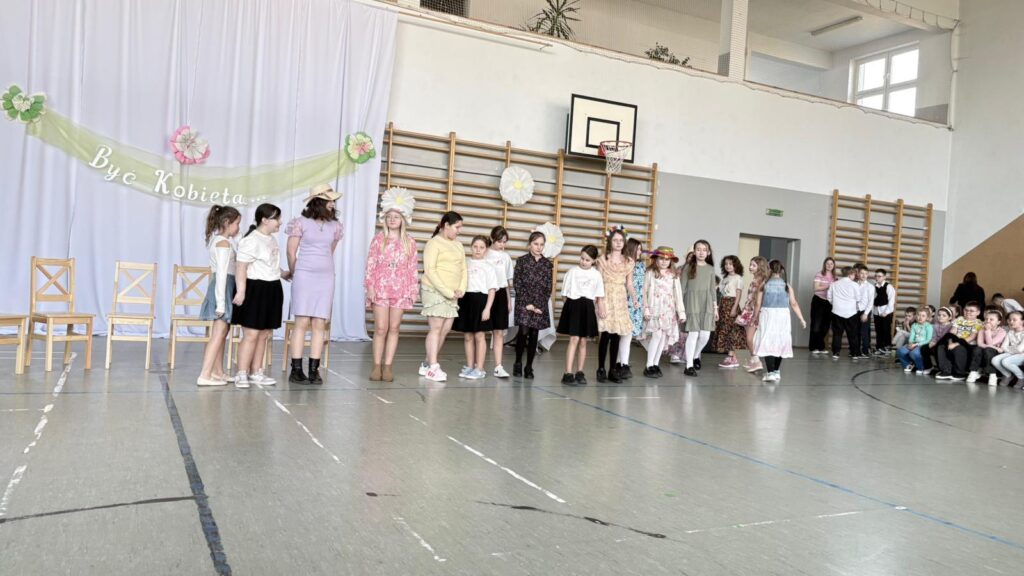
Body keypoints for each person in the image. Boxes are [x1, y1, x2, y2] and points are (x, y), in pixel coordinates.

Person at [285, 184, 343, 385]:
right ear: (319, 202)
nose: (333, 204)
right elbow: (291, 251)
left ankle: (314, 370)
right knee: (301, 322)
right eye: (329, 200)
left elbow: (329, 251)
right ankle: (296, 370)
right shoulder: (300, 223)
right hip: (304, 275)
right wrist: (295, 272)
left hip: (325, 278)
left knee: (320, 323)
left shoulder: (336, 226)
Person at [364, 187, 418, 383]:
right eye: (389, 217)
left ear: (403, 219)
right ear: (385, 219)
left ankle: (388, 366)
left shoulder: (410, 242)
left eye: (396, 217)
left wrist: (412, 291)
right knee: (381, 328)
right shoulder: (379, 240)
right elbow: (370, 265)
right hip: (380, 289)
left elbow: (412, 269)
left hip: (400, 290)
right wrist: (370, 287)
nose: (392, 220)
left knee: (394, 328)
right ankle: (376, 365)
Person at [232, 203, 290, 388]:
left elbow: (269, 264)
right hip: (254, 289)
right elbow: (241, 267)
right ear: (264, 220)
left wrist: (283, 273)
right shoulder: (250, 240)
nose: (280, 222)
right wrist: (241, 291)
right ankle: (241, 373)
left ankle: (256, 371)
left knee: (264, 333)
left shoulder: (271, 239)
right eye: (277, 218)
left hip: (272, 288)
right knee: (251, 334)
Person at [197, 205, 242, 386]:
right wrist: (221, 304)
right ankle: (205, 375)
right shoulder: (222, 243)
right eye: (237, 223)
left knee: (223, 332)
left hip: (226, 287)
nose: (238, 227)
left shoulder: (224, 241)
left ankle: (218, 372)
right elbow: (222, 274)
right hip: (221, 289)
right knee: (218, 333)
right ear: (226, 222)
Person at [419, 211, 467, 383]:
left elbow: (463, 269)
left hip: (453, 294)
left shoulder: (458, 245)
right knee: (436, 328)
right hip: (434, 291)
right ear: (446, 225)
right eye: (457, 227)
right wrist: (447, 291)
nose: (459, 231)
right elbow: (430, 270)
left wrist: (461, 288)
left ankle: (427, 363)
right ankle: (433, 366)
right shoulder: (433, 243)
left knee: (445, 330)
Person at [752, 260, 807, 382]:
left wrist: (754, 317)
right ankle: (776, 371)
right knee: (780, 341)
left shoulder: (764, 285)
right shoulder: (787, 286)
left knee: (768, 341)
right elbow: (794, 303)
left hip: (768, 315)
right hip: (783, 316)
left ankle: (770, 372)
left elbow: (757, 303)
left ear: (769, 270)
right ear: (781, 270)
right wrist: (801, 319)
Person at [557, 245, 605, 385]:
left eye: (587, 260)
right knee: (574, 339)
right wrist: (570, 309)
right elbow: (564, 294)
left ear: (594, 261)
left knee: (583, 341)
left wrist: (599, 308)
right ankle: (567, 373)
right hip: (573, 306)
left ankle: (580, 372)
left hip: (587, 308)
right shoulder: (572, 272)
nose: (584, 262)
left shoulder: (596, 275)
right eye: (582, 258)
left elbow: (599, 295)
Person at [595, 226, 637, 383]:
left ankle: (613, 369)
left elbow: (629, 283)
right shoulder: (603, 260)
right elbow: (598, 283)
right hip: (606, 297)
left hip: (620, 299)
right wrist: (600, 303)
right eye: (615, 240)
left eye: (621, 240)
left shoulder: (628, 262)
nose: (618, 243)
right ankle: (601, 369)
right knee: (605, 334)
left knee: (616, 336)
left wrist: (634, 298)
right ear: (610, 242)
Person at [453, 236, 499, 380]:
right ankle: (470, 366)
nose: (478, 250)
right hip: (466, 300)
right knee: (467, 336)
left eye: (482, 247)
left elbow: (492, 290)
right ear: (471, 247)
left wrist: (487, 309)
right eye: (475, 247)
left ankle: (479, 368)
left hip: (481, 301)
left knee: (479, 335)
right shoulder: (465, 264)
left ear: (486, 250)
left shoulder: (489, 267)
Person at [512, 231, 553, 379]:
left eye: (542, 244)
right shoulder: (521, 261)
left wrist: (539, 306)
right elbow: (517, 283)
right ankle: (518, 363)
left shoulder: (547, 264)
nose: (539, 247)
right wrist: (527, 304)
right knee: (523, 332)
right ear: (530, 244)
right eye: (536, 244)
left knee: (534, 333)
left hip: (539, 305)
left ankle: (529, 366)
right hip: (524, 303)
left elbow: (548, 287)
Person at [643, 247, 685, 378]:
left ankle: (656, 364)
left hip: (668, 310)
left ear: (671, 261)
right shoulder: (650, 272)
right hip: (654, 309)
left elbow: (678, 295)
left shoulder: (673, 275)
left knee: (663, 337)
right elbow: (644, 291)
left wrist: (681, 312)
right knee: (656, 336)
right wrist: (645, 308)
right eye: (661, 258)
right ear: (656, 259)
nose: (664, 261)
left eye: (667, 259)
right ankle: (649, 365)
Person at [680, 240, 718, 377]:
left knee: (705, 336)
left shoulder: (710, 268)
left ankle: (696, 355)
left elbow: (712, 290)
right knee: (693, 334)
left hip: (706, 303)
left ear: (708, 252)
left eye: (704, 250)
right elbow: (682, 288)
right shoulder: (688, 267)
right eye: (698, 249)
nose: (701, 252)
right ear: (694, 251)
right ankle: (689, 365)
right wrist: (680, 308)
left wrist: (715, 308)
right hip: (691, 302)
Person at [484, 226, 514, 378]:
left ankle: (498, 366)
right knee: (479, 332)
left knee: (499, 332)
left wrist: (508, 300)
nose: (502, 245)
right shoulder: (484, 253)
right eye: (500, 241)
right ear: (492, 238)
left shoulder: (506, 257)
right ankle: (477, 365)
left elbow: (507, 281)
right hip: (485, 293)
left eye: (504, 242)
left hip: (501, 294)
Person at [935, 302, 984, 381]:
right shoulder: (959, 319)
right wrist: (950, 342)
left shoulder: (979, 323)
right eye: (966, 310)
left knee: (959, 348)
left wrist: (956, 344)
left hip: (968, 344)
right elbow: (952, 332)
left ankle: (960, 373)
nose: (968, 312)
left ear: (978, 312)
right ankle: (946, 371)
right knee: (942, 345)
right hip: (955, 340)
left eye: (971, 311)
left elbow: (971, 337)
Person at [737, 256, 768, 372]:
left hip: (753, 312)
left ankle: (757, 361)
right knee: (748, 337)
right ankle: (753, 360)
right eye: (750, 265)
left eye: (754, 265)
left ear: (760, 267)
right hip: (749, 310)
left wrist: (755, 315)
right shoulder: (755, 280)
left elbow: (758, 301)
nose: (750, 267)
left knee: (749, 338)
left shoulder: (760, 282)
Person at [714, 255, 745, 368]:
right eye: (726, 264)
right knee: (725, 330)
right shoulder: (725, 278)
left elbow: (738, 295)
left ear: (736, 265)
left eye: (731, 264)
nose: (728, 266)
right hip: (723, 305)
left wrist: (734, 308)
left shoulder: (738, 278)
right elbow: (721, 294)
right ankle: (730, 356)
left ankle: (733, 357)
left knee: (733, 331)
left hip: (731, 304)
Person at [827, 266, 861, 360]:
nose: (854, 276)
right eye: (854, 274)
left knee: (837, 334)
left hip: (837, 312)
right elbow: (858, 298)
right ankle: (854, 353)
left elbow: (829, 297)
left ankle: (836, 353)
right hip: (851, 312)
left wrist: (836, 304)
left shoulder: (834, 284)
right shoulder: (855, 285)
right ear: (850, 274)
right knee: (852, 334)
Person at [967, 309, 1006, 384]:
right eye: (986, 319)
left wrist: (987, 331)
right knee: (977, 349)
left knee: (988, 350)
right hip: (988, 349)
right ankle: (973, 371)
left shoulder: (1002, 332)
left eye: (991, 319)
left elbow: (991, 343)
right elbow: (980, 344)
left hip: (994, 353)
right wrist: (996, 347)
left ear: (998, 322)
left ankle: (992, 374)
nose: (988, 321)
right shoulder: (982, 330)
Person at [808, 257, 836, 354]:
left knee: (825, 326)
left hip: (829, 302)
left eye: (831, 264)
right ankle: (813, 347)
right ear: (824, 264)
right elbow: (815, 288)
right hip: (818, 301)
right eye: (827, 263)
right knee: (816, 325)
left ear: (834, 265)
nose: (829, 265)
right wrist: (829, 286)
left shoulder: (835, 277)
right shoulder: (819, 274)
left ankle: (820, 347)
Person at [991, 311, 1024, 387]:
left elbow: (1020, 349)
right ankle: (1007, 375)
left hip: (1022, 355)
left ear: (1022, 321)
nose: (1011, 322)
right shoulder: (1010, 332)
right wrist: (1014, 349)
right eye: (1009, 320)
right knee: (994, 360)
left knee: (1005, 361)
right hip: (1012, 353)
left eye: (1014, 320)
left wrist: (1010, 349)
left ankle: (1021, 377)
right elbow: (1003, 347)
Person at [897, 308, 933, 373]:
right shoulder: (914, 325)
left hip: (922, 344)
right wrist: (910, 343)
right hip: (914, 343)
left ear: (927, 318)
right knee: (900, 351)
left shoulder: (929, 326)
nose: (920, 317)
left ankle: (920, 367)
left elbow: (928, 340)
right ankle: (908, 365)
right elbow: (911, 337)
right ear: (916, 316)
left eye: (923, 316)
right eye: (919, 315)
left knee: (914, 352)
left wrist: (916, 345)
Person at [871, 269, 897, 356]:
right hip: (876, 312)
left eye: (879, 276)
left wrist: (886, 312)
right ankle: (879, 347)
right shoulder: (874, 286)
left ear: (884, 277)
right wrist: (874, 312)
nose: (877, 278)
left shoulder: (888, 287)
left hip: (886, 312)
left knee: (886, 330)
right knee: (878, 331)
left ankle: (887, 348)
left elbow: (891, 301)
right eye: (876, 276)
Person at [921, 307, 954, 374]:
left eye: (944, 315)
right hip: (935, 343)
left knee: (938, 348)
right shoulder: (934, 326)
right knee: (924, 348)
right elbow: (934, 336)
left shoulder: (951, 326)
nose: (941, 317)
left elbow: (948, 337)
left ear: (950, 317)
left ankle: (941, 369)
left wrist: (936, 343)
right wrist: (932, 342)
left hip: (945, 344)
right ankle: (929, 367)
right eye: (939, 315)